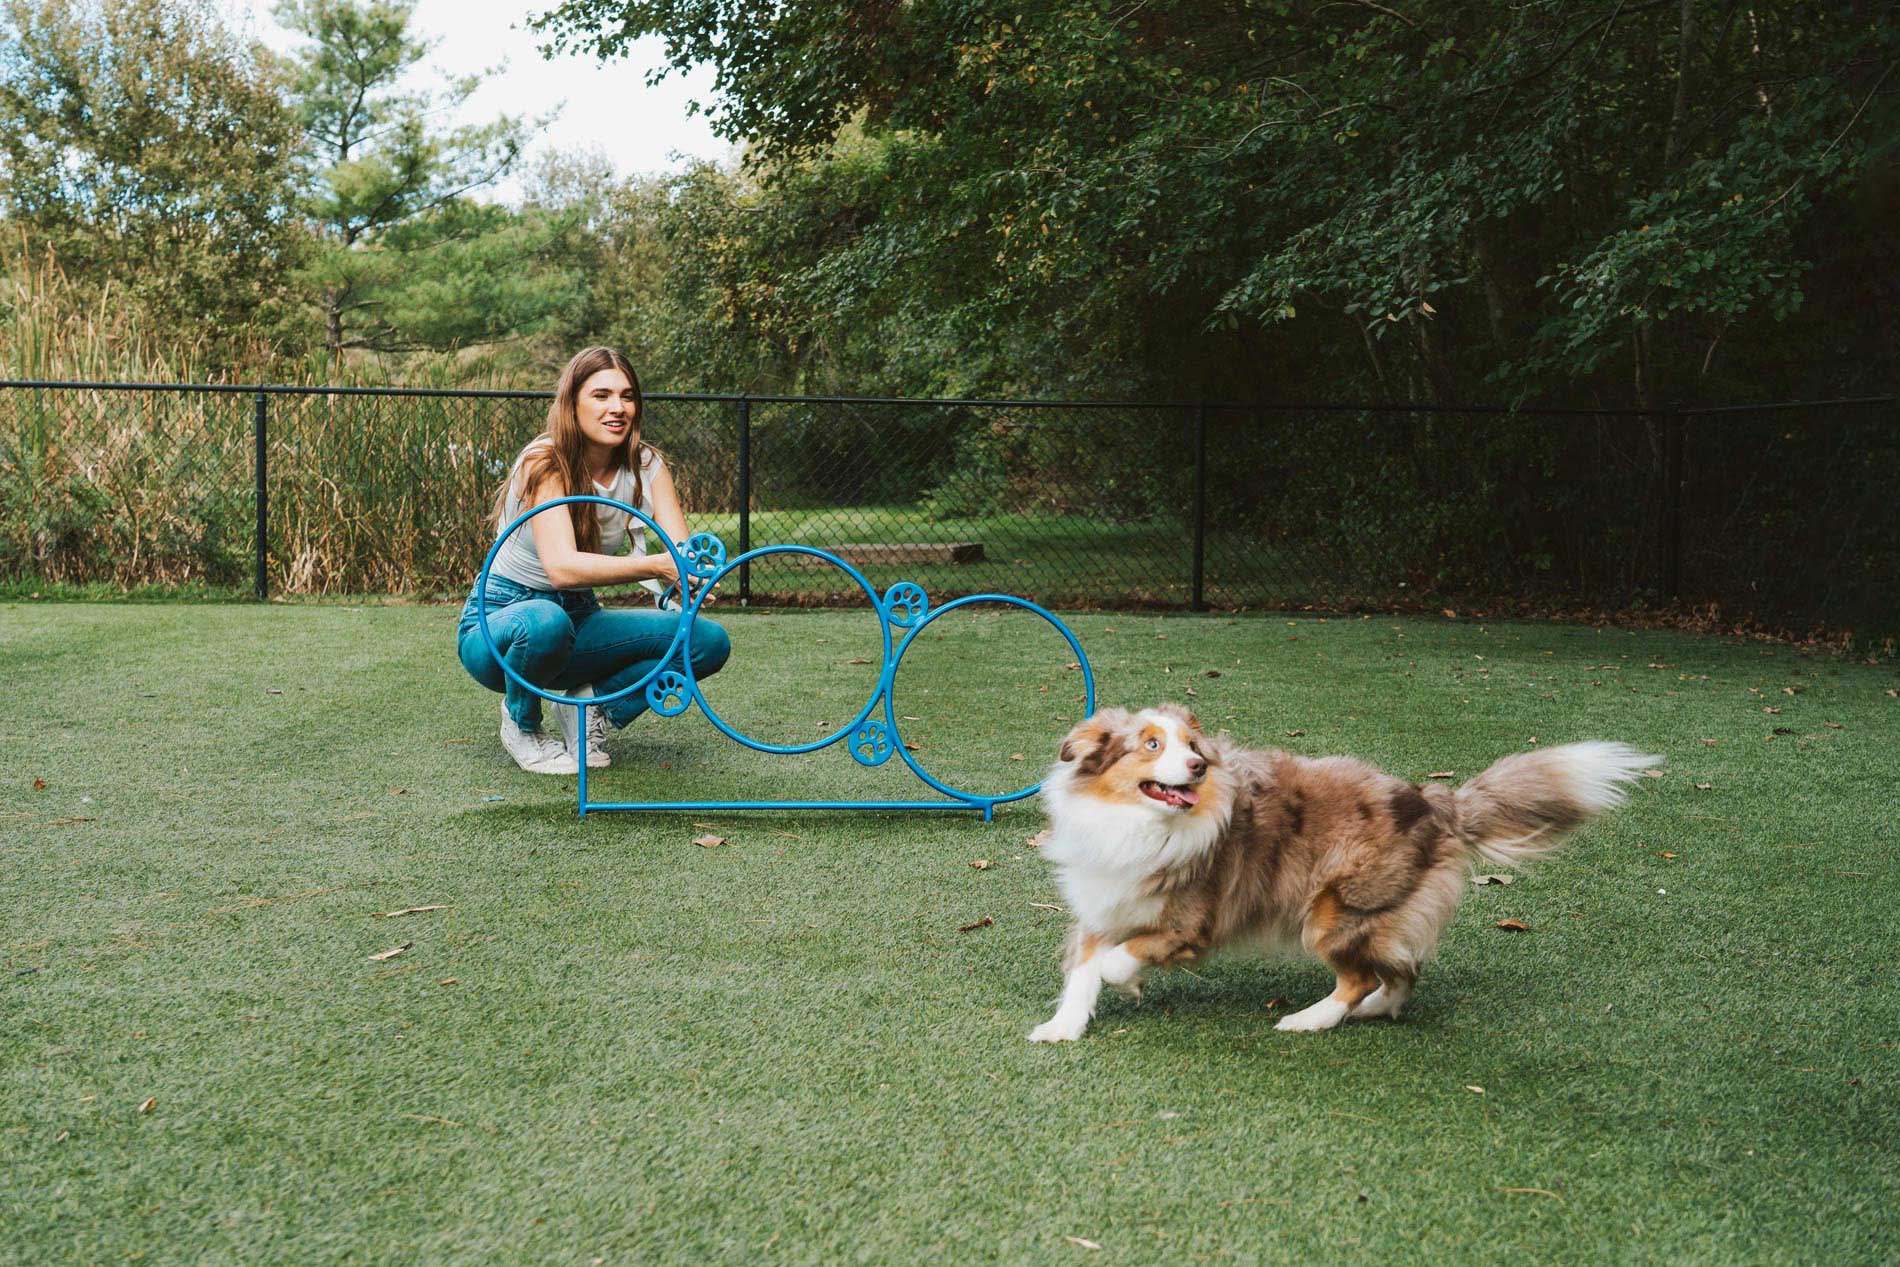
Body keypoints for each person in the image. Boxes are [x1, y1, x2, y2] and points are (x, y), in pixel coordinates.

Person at [456, 346, 731, 774]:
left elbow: (680, 552)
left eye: (627, 396)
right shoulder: (544, 461)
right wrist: (658, 566)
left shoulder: (647, 465)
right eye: (601, 395)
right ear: (573, 403)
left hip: (580, 619)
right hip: (501, 626)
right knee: (545, 620)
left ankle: (592, 707)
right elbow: (562, 569)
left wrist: (689, 578)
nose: (617, 408)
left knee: (706, 642)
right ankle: (523, 723)